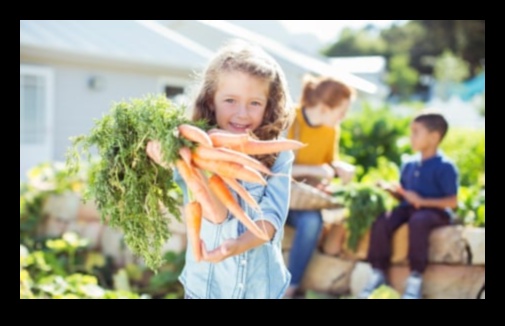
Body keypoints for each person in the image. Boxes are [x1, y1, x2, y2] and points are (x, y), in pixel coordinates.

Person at [146, 39, 296, 299]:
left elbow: (272, 217)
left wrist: (238, 245)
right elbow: (215, 213)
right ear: (210, 100)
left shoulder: (278, 152)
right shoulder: (187, 150)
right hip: (206, 287)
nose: (242, 113)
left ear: (269, 106)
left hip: (262, 288)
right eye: (230, 100)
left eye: (255, 103)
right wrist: (180, 160)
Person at [358, 109, 459, 299]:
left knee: (419, 221)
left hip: (433, 212)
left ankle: (415, 279)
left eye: (416, 132)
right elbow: (404, 195)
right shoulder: (409, 164)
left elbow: (452, 201)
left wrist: (423, 201)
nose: (411, 137)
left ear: (434, 136)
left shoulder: (445, 166)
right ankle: (378, 272)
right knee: (383, 219)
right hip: (409, 209)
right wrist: (393, 191)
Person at [283, 75, 357, 298]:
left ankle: (291, 288)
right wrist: (314, 169)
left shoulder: (331, 130)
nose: (343, 117)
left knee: (312, 222)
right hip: (275, 195)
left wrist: (339, 168)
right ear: (325, 107)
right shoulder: (289, 118)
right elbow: (270, 168)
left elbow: (328, 165)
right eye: (342, 111)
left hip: (303, 200)